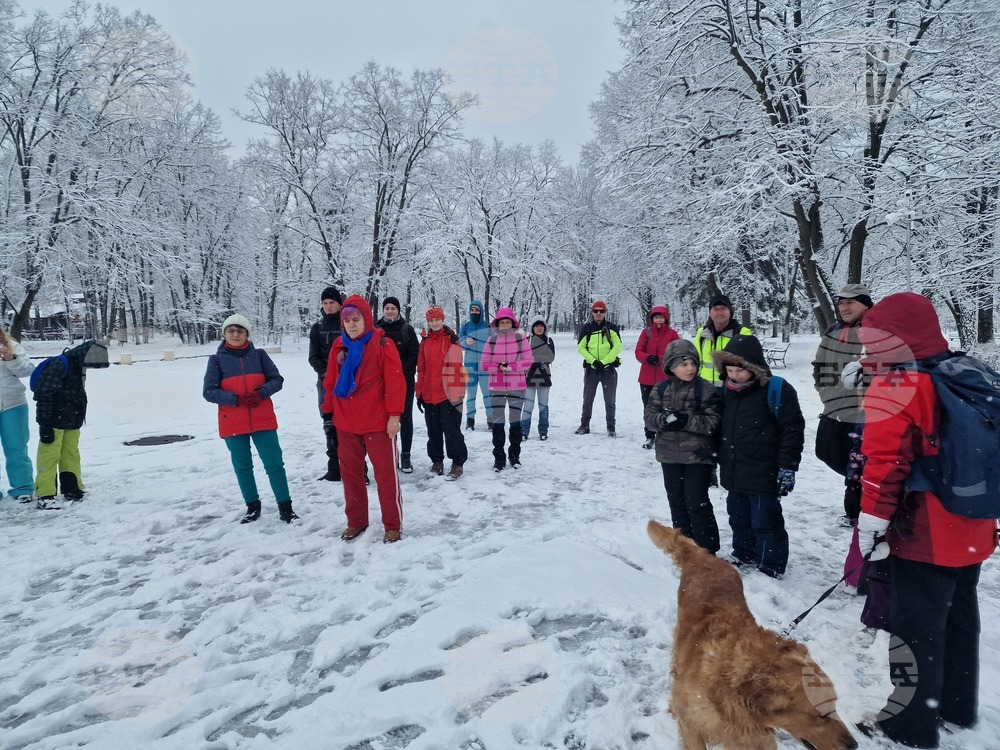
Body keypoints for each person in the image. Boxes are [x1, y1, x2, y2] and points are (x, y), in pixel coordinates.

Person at [854, 292, 997, 749]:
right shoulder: (965, 370)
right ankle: (956, 705)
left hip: (927, 528)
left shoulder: (900, 382)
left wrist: (872, 522)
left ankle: (910, 725)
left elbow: (882, 462)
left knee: (915, 625)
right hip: (974, 523)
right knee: (959, 614)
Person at [712, 335, 804, 578]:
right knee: (738, 516)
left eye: (739, 371)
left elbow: (792, 430)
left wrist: (788, 466)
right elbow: (719, 428)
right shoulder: (726, 392)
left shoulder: (777, 389)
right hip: (733, 469)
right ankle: (744, 553)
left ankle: (771, 564)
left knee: (766, 520)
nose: (734, 375)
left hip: (764, 471)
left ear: (754, 368)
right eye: (729, 370)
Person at [322, 295, 406, 543]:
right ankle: (356, 521)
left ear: (366, 319)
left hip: (377, 423)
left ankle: (392, 523)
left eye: (356, 319)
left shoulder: (382, 344)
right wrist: (328, 411)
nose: (351, 324)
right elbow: (330, 382)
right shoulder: (339, 345)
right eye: (346, 320)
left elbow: (395, 382)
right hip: (346, 423)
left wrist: (394, 416)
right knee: (351, 475)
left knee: (385, 475)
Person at [203, 315, 296, 524]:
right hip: (233, 421)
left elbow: (277, 380)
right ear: (224, 334)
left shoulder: (259, 356)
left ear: (247, 334)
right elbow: (209, 392)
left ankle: (285, 506)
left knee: (274, 463)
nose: (235, 335)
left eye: (240, 331)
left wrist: (261, 392)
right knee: (243, 466)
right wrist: (234, 398)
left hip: (262, 418)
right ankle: (252, 506)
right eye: (231, 331)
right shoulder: (216, 360)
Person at [811, 282, 874, 590]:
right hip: (833, 410)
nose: (844, 307)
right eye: (841, 303)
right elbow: (819, 364)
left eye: (851, 303)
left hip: (863, 416)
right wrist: (825, 391)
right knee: (826, 453)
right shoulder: (834, 332)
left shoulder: (875, 331)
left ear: (865, 304)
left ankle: (859, 514)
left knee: (859, 471)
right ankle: (856, 501)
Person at [644, 339, 721, 553]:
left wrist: (686, 420)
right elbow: (649, 417)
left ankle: (707, 548)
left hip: (698, 456)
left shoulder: (706, 389)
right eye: (682, 364)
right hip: (669, 456)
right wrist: (663, 420)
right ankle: (684, 547)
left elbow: (713, 422)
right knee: (676, 502)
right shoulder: (661, 388)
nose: (689, 368)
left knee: (697, 502)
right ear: (670, 366)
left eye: (692, 364)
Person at [33, 339, 109, 508]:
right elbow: (43, 393)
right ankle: (45, 494)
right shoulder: (60, 364)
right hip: (53, 420)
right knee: (49, 456)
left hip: (71, 420)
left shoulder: (78, 366)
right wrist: (44, 423)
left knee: (71, 454)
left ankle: (72, 488)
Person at [415, 306, 468, 480]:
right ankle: (437, 462)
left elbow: (456, 368)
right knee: (434, 431)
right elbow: (421, 370)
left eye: (437, 319)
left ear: (442, 320)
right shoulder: (425, 342)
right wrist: (419, 393)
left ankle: (457, 463)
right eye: (431, 320)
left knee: (452, 430)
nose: (435, 323)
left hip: (449, 394)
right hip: (430, 394)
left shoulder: (451, 340)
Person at [480, 307, 532, 471]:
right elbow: (484, 364)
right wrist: (498, 367)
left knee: (515, 423)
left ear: (512, 323)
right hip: (496, 387)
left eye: (507, 322)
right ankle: (499, 457)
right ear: (497, 324)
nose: (504, 325)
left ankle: (515, 456)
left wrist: (514, 367)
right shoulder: (491, 341)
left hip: (517, 386)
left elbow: (528, 360)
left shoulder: (520, 339)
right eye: (501, 322)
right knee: (498, 424)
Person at [377, 296, 419, 473]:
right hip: (382, 382)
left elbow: (414, 353)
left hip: (404, 380)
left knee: (406, 417)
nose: (390, 311)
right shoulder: (377, 329)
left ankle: (406, 455)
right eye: (387, 308)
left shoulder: (406, 329)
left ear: (399, 310)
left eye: (393, 308)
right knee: (386, 418)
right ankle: (390, 455)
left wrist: (401, 373)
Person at [308, 286, 343, 481]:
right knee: (329, 424)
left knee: (351, 424)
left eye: (332, 302)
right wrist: (327, 373)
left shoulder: (349, 323)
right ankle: (334, 468)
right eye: (325, 303)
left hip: (348, 381)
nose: (329, 306)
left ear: (339, 303)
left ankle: (358, 468)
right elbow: (313, 357)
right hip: (326, 383)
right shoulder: (317, 328)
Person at [575, 301, 623, 437]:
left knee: (610, 400)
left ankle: (611, 427)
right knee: (587, 399)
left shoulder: (612, 328)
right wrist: (593, 361)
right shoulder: (587, 328)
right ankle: (584, 425)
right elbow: (581, 347)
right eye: (596, 311)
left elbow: (617, 347)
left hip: (608, 370)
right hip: (592, 370)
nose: (598, 313)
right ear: (592, 312)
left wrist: (604, 361)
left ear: (605, 313)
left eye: (601, 311)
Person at [635, 305, 680, 449]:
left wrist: (660, 359)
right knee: (648, 408)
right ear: (652, 319)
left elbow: (677, 353)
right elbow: (638, 351)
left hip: (665, 379)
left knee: (667, 407)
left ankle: (664, 434)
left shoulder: (672, 334)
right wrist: (648, 358)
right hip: (646, 378)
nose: (658, 320)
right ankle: (649, 436)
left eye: (661, 317)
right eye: (656, 317)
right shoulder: (646, 333)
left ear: (666, 318)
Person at [0, 327, 35, 503]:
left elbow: (28, 370)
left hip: (13, 405)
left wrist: (10, 359)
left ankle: (22, 488)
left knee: (16, 448)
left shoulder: (11, 345)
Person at [693, 294, 753, 386]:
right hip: (705, 391)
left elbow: (751, 366)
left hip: (732, 391)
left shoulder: (742, 333)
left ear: (730, 312)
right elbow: (695, 362)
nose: (719, 312)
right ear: (710, 312)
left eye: (723, 308)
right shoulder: (702, 334)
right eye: (716, 308)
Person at [459, 299, 492, 430]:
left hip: (485, 367)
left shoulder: (488, 328)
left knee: (487, 395)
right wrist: (466, 342)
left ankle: (490, 419)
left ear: (481, 311)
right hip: (469, 366)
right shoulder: (466, 326)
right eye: (472, 310)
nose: (474, 312)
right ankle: (470, 419)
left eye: (477, 310)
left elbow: (496, 343)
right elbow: (459, 343)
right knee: (471, 395)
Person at [520, 319, 555, 441]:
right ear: (532, 328)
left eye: (541, 326)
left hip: (544, 378)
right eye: (537, 326)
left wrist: (534, 358)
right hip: (529, 378)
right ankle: (524, 431)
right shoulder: (526, 340)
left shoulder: (549, 341)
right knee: (528, 406)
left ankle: (543, 431)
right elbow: (523, 357)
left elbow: (550, 357)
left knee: (543, 406)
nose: (539, 328)